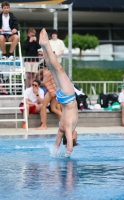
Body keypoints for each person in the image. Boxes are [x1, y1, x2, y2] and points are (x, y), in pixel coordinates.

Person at [39, 28, 78, 156]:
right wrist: (55, 155)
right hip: (61, 97)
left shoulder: (68, 127)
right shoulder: (62, 128)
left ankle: (45, 44)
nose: (77, 136)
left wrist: (68, 153)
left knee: (58, 68)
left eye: (75, 138)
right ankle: (44, 47)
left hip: (68, 97)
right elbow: (56, 145)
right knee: (52, 67)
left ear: (71, 137)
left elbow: (70, 149)